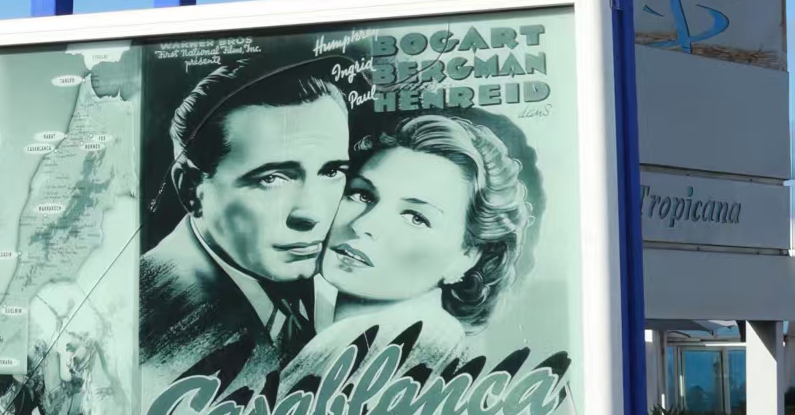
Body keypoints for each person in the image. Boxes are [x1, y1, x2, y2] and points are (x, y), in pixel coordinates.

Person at [280, 110, 537, 391]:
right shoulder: (333, 332)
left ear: (467, 256)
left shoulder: (406, 340)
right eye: (362, 194)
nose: (364, 225)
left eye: (416, 217)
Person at [140, 59, 350, 392]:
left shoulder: (342, 286)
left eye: (331, 172)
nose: (313, 214)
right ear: (191, 188)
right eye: (272, 178)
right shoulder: (144, 318)